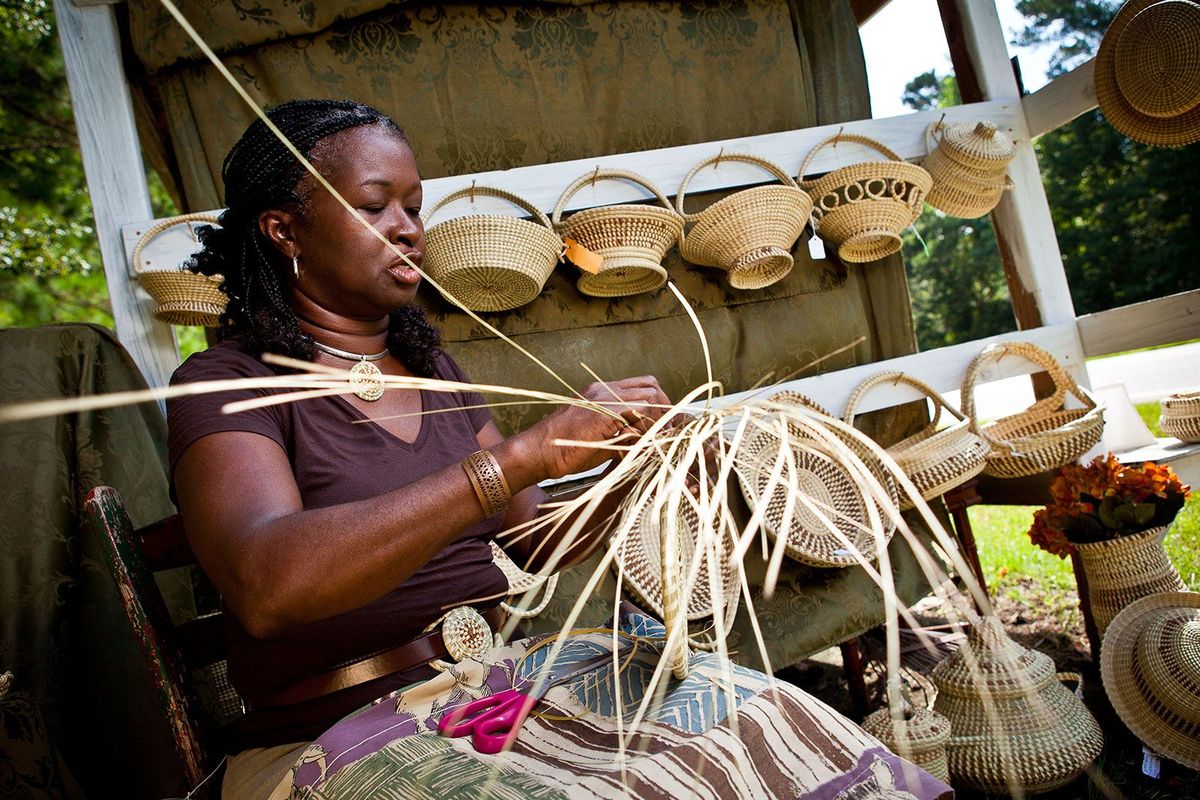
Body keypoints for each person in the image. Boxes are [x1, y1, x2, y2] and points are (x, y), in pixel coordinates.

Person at [167, 98, 671, 799]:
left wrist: (649, 472)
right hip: (337, 737)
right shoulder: (226, 384)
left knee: (746, 720)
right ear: (285, 230)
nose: (407, 230)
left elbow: (535, 538)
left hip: (499, 692)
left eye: (413, 206)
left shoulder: (435, 371)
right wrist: (520, 458)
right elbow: (268, 587)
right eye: (374, 207)